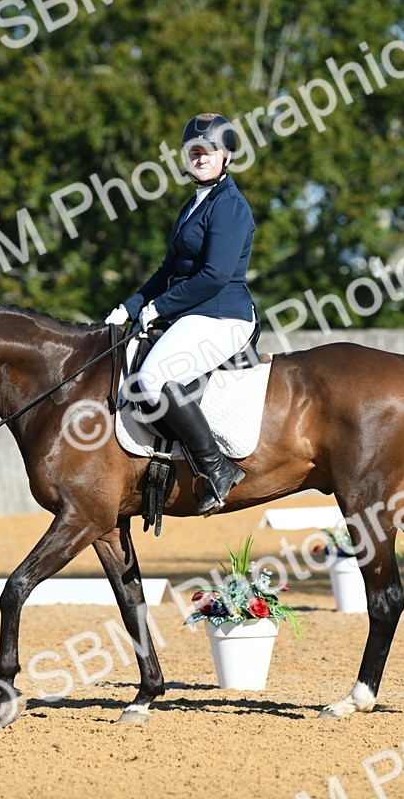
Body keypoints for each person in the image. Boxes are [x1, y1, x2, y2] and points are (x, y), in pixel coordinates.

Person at [104, 113, 257, 516]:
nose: (200, 157)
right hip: (192, 312)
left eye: (208, 151)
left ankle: (217, 469)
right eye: (194, 151)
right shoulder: (194, 204)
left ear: (226, 156)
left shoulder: (230, 206)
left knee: (155, 377)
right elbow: (168, 270)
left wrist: (159, 307)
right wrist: (130, 306)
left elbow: (213, 276)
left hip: (223, 315)